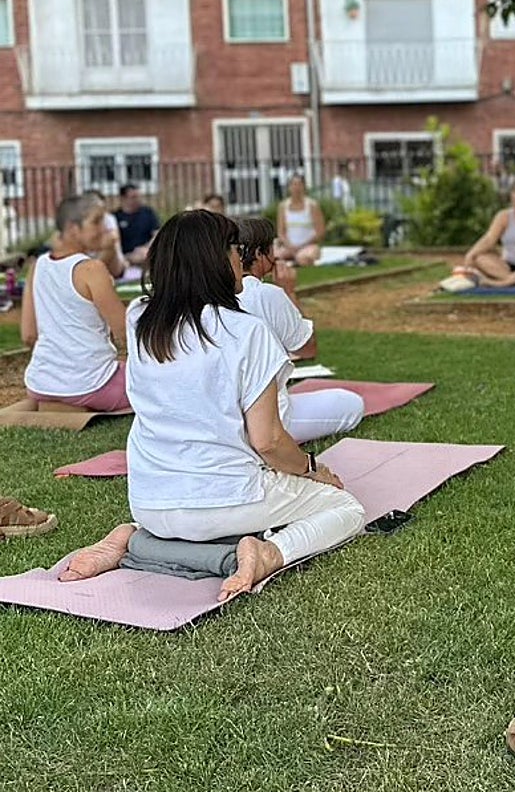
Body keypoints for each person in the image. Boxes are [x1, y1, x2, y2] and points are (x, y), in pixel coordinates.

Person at [57, 210, 366, 602]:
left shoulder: (140, 320)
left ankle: (136, 539)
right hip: (229, 498)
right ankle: (270, 553)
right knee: (346, 509)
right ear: (215, 258)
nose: (242, 260)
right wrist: (311, 469)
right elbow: (268, 442)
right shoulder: (246, 331)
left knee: (201, 513)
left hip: (150, 502)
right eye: (236, 250)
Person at [235, 216, 364, 443]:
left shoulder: (202, 296)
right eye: (271, 248)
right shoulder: (265, 295)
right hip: (268, 422)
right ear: (257, 254)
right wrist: (289, 292)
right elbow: (307, 348)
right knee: (352, 404)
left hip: (222, 416)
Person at [21, 195, 129, 412]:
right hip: (92, 384)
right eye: (96, 221)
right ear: (73, 229)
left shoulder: (38, 266)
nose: (104, 228)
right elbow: (126, 332)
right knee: (164, 382)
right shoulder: (92, 270)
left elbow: (28, 335)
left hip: (41, 382)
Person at [460, 179, 515, 288]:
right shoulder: (503, 216)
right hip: (506, 266)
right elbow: (489, 239)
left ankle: (502, 283)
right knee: (479, 257)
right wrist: (471, 254)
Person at [276, 174, 326, 267]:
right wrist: (290, 246)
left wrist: (302, 246)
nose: (296, 188)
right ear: (289, 187)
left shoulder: (312, 205)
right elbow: (281, 232)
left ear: (304, 187)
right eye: (294, 185)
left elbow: (320, 232)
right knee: (275, 257)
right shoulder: (283, 206)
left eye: (299, 184)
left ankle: (295, 263)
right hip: (289, 247)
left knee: (302, 258)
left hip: (309, 246)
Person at [114, 184, 160, 267]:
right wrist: (126, 256)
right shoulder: (115, 217)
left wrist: (147, 248)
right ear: (123, 198)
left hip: (145, 252)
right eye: (134, 197)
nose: (138, 200)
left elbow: (157, 234)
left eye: (139, 197)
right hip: (124, 256)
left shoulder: (148, 213)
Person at [84, 189, 126, 279]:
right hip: (88, 259)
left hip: (112, 264)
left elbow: (113, 238)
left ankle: (90, 273)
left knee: (110, 242)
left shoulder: (108, 219)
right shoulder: (80, 221)